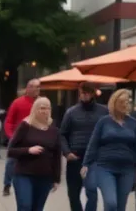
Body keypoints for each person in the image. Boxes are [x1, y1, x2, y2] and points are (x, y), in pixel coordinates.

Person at [82, 90, 136, 211]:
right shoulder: (104, 121)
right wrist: (86, 164)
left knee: (121, 207)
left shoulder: (134, 123)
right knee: (111, 203)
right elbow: (93, 143)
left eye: (127, 102)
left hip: (127, 169)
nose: (125, 104)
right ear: (114, 103)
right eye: (122, 102)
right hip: (105, 167)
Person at [6, 97, 62, 211]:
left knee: (37, 208)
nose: (45, 111)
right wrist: (28, 150)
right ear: (35, 109)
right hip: (24, 174)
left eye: (47, 108)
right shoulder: (25, 126)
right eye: (42, 108)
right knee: (25, 206)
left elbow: (57, 156)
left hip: (45, 176)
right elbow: (10, 151)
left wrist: (56, 179)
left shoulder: (54, 130)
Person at [60, 82, 109, 211]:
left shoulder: (104, 111)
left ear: (93, 93)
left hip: (94, 159)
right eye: (82, 92)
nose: (84, 95)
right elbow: (62, 135)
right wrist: (66, 152)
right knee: (73, 193)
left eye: (87, 92)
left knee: (92, 192)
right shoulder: (71, 112)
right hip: (75, 157)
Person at [3, 79, 41, 196]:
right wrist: (11, 136)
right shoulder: (17, 103)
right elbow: (9, 121)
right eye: (34, 87)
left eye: (38, 87)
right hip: (18, 137)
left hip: (36, 137)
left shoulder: (42, 104)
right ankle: (7, 184)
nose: (37, 89)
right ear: (28, 89)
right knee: (11, 161)